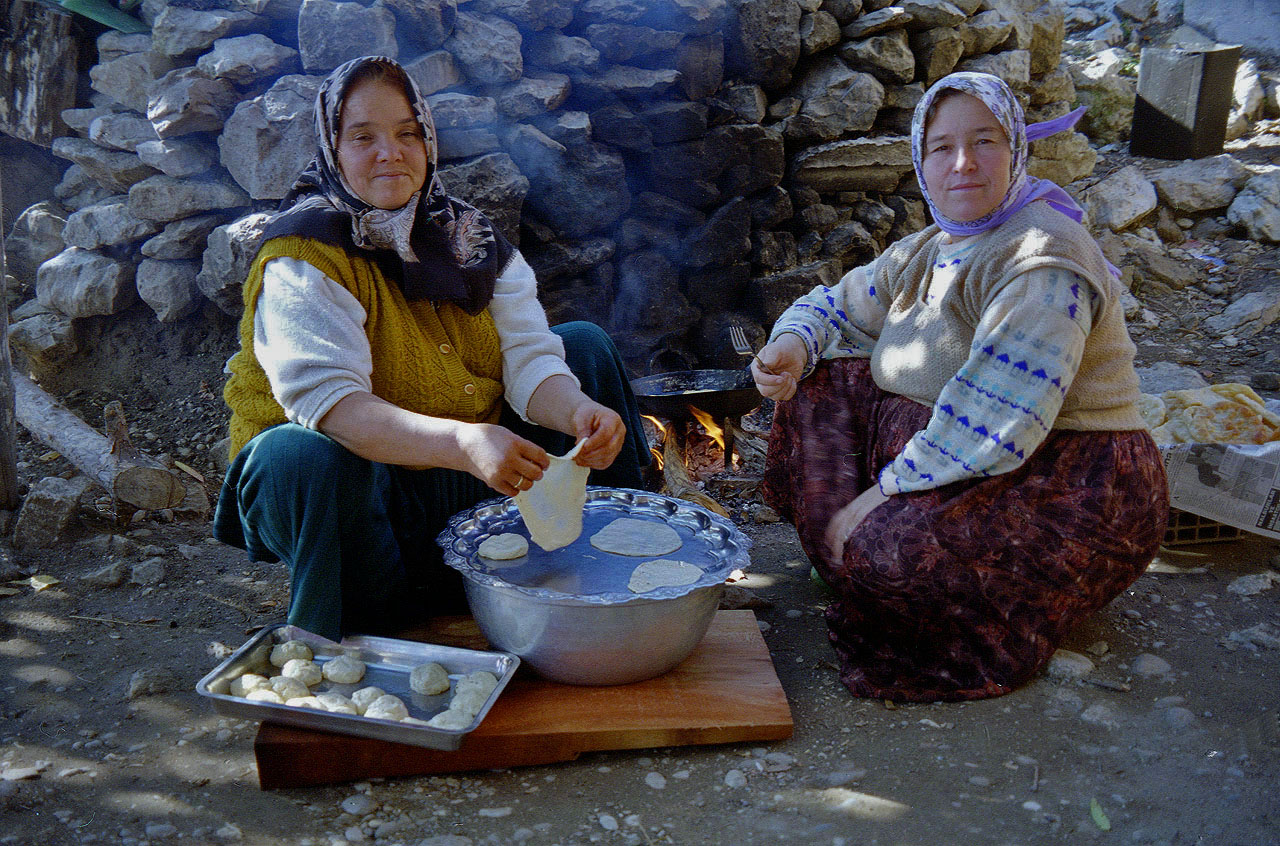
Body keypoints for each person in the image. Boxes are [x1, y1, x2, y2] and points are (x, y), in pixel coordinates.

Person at [751, 72, 1169, 702]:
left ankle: (982, 608)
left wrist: (880, 497)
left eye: (986, 141)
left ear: (1017, 149)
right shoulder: (928, 249)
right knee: (816, 382)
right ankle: (852, 559)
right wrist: (791, 345)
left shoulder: (1043, 256)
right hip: (957, 460)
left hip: (1063, 478)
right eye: (941, 147)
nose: (963, 163)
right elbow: (837, 307)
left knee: (891, 556)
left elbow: (1001, 416)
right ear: (921, 161)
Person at [213, 56, 650, 642]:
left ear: (428, 141)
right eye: (362, 137)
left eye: (406, 133)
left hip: (466, 479)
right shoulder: (303, 255)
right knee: (294, 454)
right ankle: (352, 622)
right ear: (331, 149)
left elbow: (530, 358)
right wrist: (466, 442)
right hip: (365, 496)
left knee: (583, 348)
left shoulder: (470, 238)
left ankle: (620, 572)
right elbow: (334, 409)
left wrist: (574, 411)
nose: (388, 152)